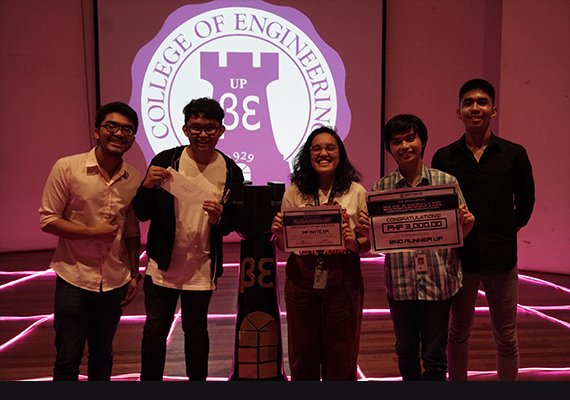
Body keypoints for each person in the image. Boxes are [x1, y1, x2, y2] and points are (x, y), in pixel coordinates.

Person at [133, 97, 244, 381]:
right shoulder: (166, 161)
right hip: (162, 264)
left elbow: (234, 222)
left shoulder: (231, 170)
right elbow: (142, 213)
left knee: (196, 332)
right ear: (185, 129)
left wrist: (220, 219)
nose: (202, 134)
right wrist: (146, 186)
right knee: (155, 331)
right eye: (196, 127)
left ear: (221, 130)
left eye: (210, 127)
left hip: (202, 267)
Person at [431, 78, 535, 381]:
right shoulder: (444, 157)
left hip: (501, 259)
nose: (475, 108)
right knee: (457, 332)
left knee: (506, 336)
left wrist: (505, 229)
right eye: (468, 103)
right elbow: (439, 208)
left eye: (482, 102)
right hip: (460, 260)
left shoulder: (514, 154)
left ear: (494, 110)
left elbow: (526, 203)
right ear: (458, 111)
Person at [359, 114, 475, 381]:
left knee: (435, 356)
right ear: (389, 148)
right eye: (396, 141)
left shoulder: (446, 183)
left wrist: (468, 225)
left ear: (422, 141)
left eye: (410, 138)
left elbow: (461, 232)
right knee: (406, 351)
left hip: (439, 281)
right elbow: (376, 240)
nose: (404, 146)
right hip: (400, 284)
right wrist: (368, 232)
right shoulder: (381, 189)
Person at [39, 101, 142, 381]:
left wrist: (134, 274)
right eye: (112, 126)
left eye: (127, 129)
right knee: (67, 355)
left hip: (115, 279)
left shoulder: (133, 178)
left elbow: (131, 230)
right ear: (97, 131)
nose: (119, 133)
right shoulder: (67, 168)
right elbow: (48, 219)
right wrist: (93, 232)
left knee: (103, 352)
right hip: (74, 276)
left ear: (133, 138)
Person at [270, 126, 370, 381]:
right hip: (301, 278)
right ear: (308, 155)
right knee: (303, 353)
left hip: (343, 277)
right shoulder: (294, 192)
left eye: (330, 148)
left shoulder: (357, 192)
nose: (323, 153)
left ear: (340, 154)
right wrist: (279, 233)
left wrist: (353, 244)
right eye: (316, 148)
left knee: (342, 353)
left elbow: (367, 243)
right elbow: (284, 246)